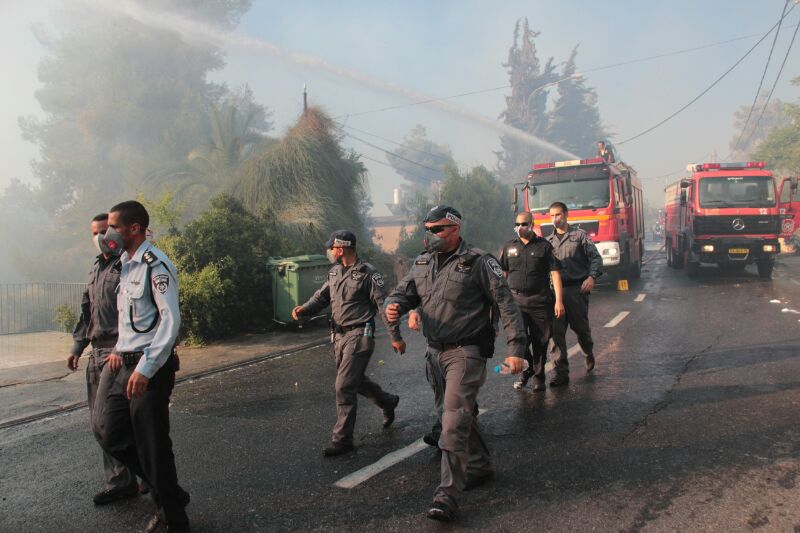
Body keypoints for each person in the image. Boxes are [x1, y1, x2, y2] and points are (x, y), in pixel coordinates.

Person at [385, 205, 527, 522]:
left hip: (467, 352)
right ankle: (479, 466)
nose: (430, 235)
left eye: (437, 229)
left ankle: (447, 495)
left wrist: (516, 348)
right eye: (427, 229)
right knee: (454, 415)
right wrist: (395, 306)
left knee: (451, 421)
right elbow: (402, 293)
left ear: (455, 230)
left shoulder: (479, 261)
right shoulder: (421, 263)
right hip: (434, 353)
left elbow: (506, 304)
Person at [100, 200, 190, 533]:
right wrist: (119, 351)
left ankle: (174, 516)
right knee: (112, 435)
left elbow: (170, 322)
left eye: (114, 226)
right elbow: (130, 322)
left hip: (149, 369)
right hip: (126, 364)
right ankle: (171, 492)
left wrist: (145, 369)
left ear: (135, 228)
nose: (109, 233)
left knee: (153, 444)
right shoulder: (124, 264)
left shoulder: (156, 264)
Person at [292, 230, 406, 457]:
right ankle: (387, 402)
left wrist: (395, 336)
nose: (330, 252)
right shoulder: (334, 272)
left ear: (341, 248)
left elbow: (384, 306)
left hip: (359, 335)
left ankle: (342, 440)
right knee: (355, 381)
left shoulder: (369, 274)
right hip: (339, 337)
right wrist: (304, 309)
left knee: (343, 386)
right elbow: (321, 297)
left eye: (332, 248)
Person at [67, 213, 140, 505]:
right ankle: (121, 481)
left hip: (120, 353)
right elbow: (88, 313)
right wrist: (76, 347)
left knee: (118, 422)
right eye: (94, 233)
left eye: (104, 231)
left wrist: (125, 349)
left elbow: (136, 312)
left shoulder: (127, 266)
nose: (100, 238)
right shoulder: (95, 270)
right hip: (96, 354)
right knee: (99, 424)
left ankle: (148, 476)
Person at [498, 211, 565, 391]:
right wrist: (498, 300)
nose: (520, 228)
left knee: (540, 341)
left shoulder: (544, 246)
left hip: (540, 300)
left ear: (532, 224)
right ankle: (526, 370)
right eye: (518, 224)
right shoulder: (509, 247)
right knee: (519, 340)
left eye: (524, 224)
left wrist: (559, 301)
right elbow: (502, 274)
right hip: (516, 302)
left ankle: (538, 377)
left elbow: (555, 273)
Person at [546, 202, 603, 387]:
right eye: (552, 215)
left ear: (566, 215)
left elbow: (595, 257)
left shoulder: (579, 236)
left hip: (576, 291)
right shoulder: (547, 243)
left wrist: (592, 277)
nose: (556, 218)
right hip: (556, 294)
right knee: (556, 335)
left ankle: (588, 351)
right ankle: (561, 374)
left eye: (559, 214)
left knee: (581, 330)